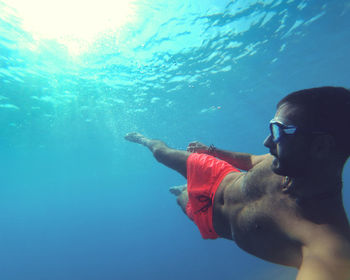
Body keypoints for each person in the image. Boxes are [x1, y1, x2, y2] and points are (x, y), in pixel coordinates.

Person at [125, 86, 350, 280]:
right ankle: (143, 140)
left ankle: (182, 191)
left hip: (208, 217)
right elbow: (251, 160)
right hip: (216, 175)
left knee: (180, 200)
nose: (267, 141)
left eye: (279, 131)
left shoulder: (328, 244)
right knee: (161, 153)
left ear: (321, 146)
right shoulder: (281, 161)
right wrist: (212, 151)